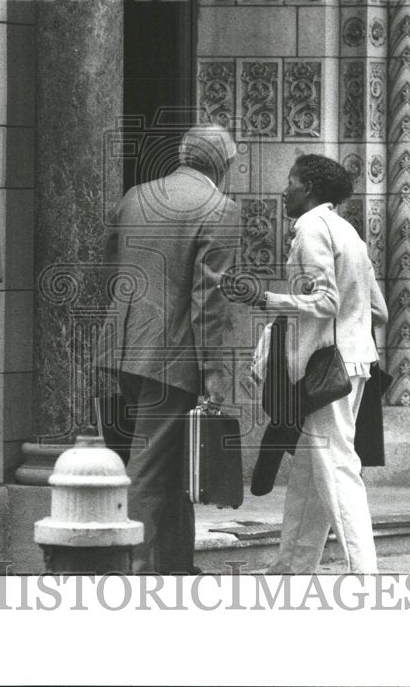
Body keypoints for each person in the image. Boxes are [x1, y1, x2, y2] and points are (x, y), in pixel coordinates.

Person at [100, 124, 240, 574]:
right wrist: (215, 372)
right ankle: (132, 570)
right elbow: (209, 298)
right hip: (171, 356)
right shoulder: (220, 208)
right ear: (220, 165)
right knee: (149, 468)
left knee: (173, 463)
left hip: (124, 345)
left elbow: (108, 261)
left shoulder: (136, 195)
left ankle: (177, 565)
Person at [247, 153, 388, 574]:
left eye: (290, 181)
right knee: (312, 470)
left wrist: (270, 300)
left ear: (307, 188)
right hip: (352, 366)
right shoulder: (349, 233)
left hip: (325, 370)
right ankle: (292, 566)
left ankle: (366, 575)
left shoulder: (310, 228)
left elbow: (326, 302)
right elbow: (377, 310)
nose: (284, 190)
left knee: (337, 468)